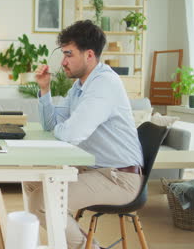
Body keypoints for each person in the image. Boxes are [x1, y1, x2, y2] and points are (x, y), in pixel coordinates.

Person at [23, 20, 143, 249]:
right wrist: (45, 89)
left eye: (69, 54)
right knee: (33, 177)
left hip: (119, 178)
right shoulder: (79, 86)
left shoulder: (103, 85)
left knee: (42, 202)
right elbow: (52, 125)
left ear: (89, 55)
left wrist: (65, 128)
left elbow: (71, 134)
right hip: (96, 170)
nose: (63, 62)